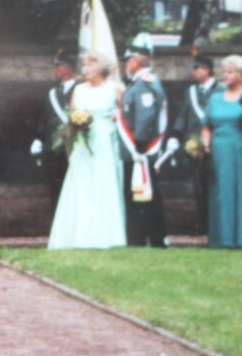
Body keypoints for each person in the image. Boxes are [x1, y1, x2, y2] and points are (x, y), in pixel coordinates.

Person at [48, 52, 126, 249]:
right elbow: (72, 115)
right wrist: (75, 124)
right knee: (81, 184)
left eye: (90, 65)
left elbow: (126, 113)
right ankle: (80, 236)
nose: (85, 69)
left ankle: (108, 236)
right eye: (84, 65)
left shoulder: (115, 88)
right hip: (83, 141)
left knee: (103, 181)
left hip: (105, 139)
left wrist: (118, 116)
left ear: (101, 68)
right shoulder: (79, 90)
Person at [199, 55, 242, 249]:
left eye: (230, 72)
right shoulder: (214, 98)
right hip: (219, 150)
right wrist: (206, 145)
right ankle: (223, 238)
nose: (225, 75)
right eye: (224, 71)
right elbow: (206, 125)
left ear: (241, 75)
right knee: (222, 191)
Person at [118, 33, 168, 248]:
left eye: (128, 60)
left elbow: (146, 117)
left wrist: (139, 143)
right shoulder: (138, 83)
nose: (125, 65)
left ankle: (150, 238)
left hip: (140, 149)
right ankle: (141, 238)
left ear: (136, 61)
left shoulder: (144, 84)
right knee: (140, 194)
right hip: (137, 149)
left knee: (145, 195)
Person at [168, 54, 219, 235]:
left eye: (196, 68)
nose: (193, 71)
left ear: (207, 69)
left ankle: (216, 225)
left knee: (215, 185)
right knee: (198, 185)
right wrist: (175, 134)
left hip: (214, 144)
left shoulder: (220, 90)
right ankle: (203, 224)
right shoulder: (190, 91)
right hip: (193, 143)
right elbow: (183, 114)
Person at [30, 52, 77, 209]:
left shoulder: (80, 89)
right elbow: (45, 118)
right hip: (53, 147)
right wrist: (38, 139)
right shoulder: (53, 92)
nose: (56, 69)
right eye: (55, 66)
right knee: (55, 186)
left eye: (59, 65)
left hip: (72, 146)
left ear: (70, 67)